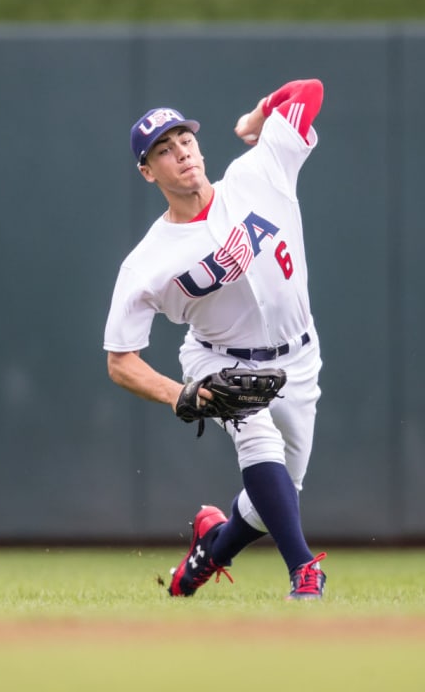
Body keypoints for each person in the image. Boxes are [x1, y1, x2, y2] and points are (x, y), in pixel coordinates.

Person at [103, 79, 327, 600]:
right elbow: (120, 360)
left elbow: (310, 91)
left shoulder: (257, 173)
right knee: (258, 443)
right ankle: (304, 570)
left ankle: (213, 545)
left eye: (184, 140)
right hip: (221, 362)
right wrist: (178, 394)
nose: (180, 152)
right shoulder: (146, 262)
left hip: (300, 358)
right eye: (163, 149)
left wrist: (258, 116)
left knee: (278, 495)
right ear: (147, 171)